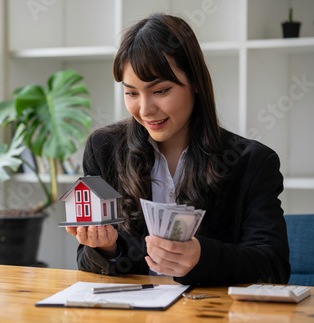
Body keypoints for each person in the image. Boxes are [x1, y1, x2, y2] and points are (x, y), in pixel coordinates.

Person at [65, 14, 290, 285]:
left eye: (160, 91)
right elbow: (87, 265)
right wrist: (107, 248)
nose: (145, 110)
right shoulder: (103, 149)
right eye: (132, 93)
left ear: (195, 82)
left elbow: (273, 266)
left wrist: (201, 257)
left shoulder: (251, 162)